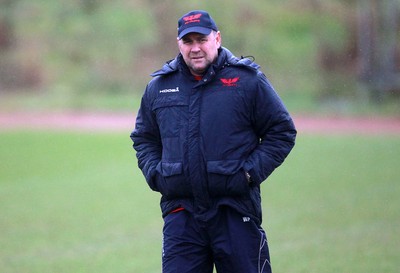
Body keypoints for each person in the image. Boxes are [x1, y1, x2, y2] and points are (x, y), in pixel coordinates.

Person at [130, 10, 296, 273]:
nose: (195, 48)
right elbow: (144, 138)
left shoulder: (247, 81)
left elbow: (282, 131)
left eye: (202, 40)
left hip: (234, 211)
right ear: (179, 44)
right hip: (181, 215)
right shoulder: (159, 87)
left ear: (217, 39)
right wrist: (157, 175)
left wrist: (249, 174)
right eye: (188, 41)